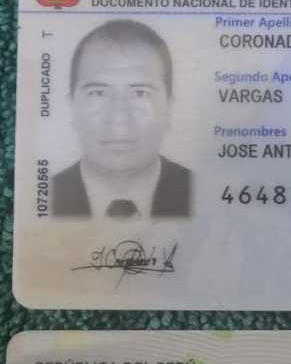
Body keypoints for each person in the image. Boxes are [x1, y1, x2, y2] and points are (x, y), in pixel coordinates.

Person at [51, 20, 191, 218]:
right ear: (72, 106)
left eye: (140, 93)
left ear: (169, 107)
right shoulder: (40, 197)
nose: (118, 118)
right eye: (98, 93)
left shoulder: (204, 193)